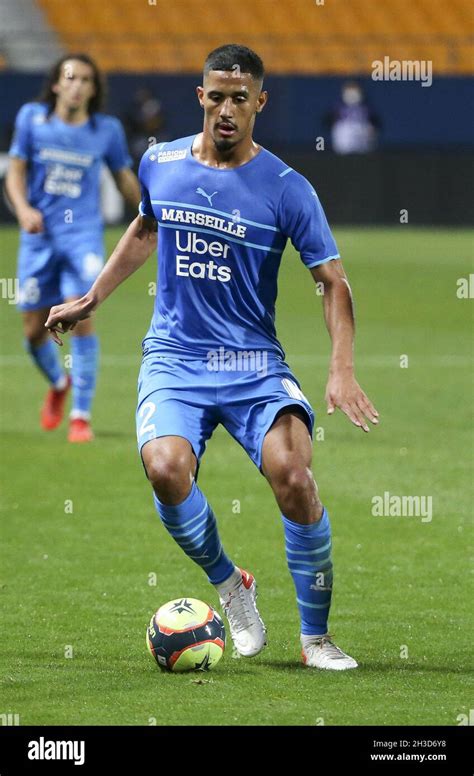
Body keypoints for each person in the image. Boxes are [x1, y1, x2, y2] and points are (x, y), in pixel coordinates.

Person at [45, 44, 379, 668]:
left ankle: (316, 639)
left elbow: (333, 281)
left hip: (253, 364)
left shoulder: (287, 189)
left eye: (240, 98)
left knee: (295, 478)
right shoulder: (161, 162)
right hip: (175, 357)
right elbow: (147, 227)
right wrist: (92, 297)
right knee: (167, 470)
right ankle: (231, 585)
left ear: (260, 102)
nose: (227, 109)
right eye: (217, 96)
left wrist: (342, 367)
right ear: (201, 97)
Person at [6, 53, 140, 442]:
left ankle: (81, 416)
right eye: (71, 77)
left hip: (82, 237)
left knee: (79, 313)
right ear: (56, 83)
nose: (78, 85)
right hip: (39, 239)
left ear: (94, 89)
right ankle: (58, 382)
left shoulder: (106, 130)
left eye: (86, 79)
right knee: (33, 331)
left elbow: (123, 180)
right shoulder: (32, 119)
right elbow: (15, 175)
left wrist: (152, 212)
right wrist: (24, 207)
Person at [325, 80, 380, 154]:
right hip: (344, 139)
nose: (352, 94)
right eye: (350, 90)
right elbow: (327, 122)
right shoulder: (338, 107)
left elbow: (376, 123)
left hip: (362, 138)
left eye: (354, 90)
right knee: (342, 128)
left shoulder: (366, 107)